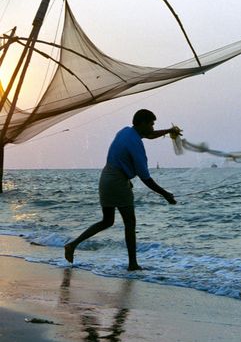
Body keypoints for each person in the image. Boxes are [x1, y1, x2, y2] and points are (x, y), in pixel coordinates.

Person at [64, 109, 181, 271]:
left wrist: (168, 131)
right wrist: (165, 194)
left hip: (106, 178)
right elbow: (145, 178)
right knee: (130, 223)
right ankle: (132, 264)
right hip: (117, 182)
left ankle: (72, 244)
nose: (153, 128)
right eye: (151, 124)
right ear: (142, 123)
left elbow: (148, 135)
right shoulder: (135, 144)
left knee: (107, 221)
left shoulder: (126, 131)